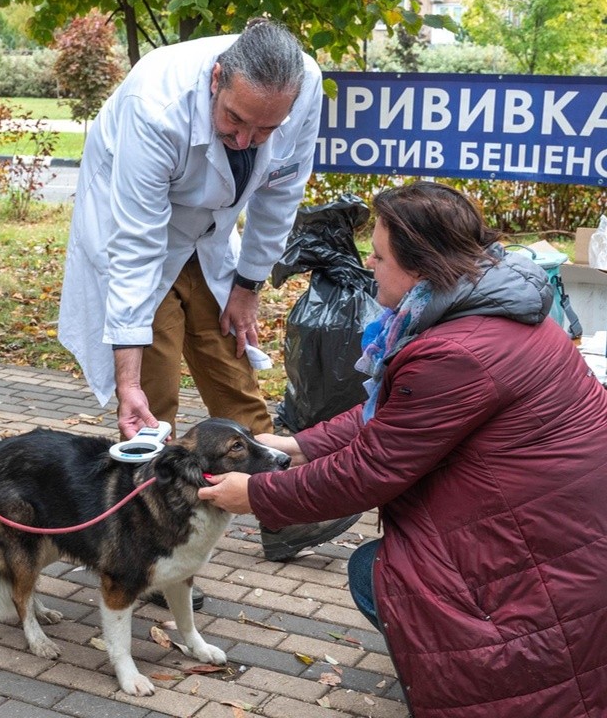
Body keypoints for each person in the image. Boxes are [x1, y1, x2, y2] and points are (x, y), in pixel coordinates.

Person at [198, 181, 607, 716]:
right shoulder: (491, 311)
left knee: (383, 575)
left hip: (544, 573)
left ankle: (477, 673)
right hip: (564, 541)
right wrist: (298, 444)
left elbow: (370, 471)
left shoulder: (456, 352)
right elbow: (397, 416)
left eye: (379, 254)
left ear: (422, 265)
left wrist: (255, 492)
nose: (369, 265)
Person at [57, 18, 360, 599]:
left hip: (211, 237)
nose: (247, 140)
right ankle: (150, 550)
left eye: (264, 128)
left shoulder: (303, 85)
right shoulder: (156, 103)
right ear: (217, 79)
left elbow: (280, 191)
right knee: (156, 392)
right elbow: (137, 246)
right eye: (234, 121)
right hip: (137, 233)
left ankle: (283, 508)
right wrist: (127, 379)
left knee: (229, 364)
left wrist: (248, 282)